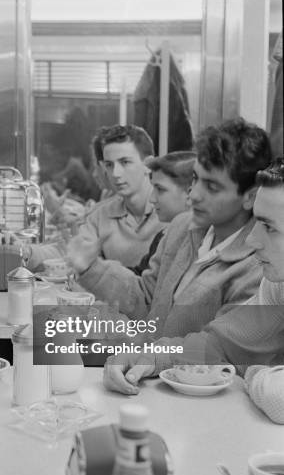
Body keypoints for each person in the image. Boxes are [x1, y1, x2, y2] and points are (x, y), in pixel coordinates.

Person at [102, 157, 284, 424]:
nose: (254, 239)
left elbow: (277, 397)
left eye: (269, 226)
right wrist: (150, 356)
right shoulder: (277, 284)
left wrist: (254, 372)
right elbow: (219, 345)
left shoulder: (260, 270)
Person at [67, 117, 272, 342]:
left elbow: (219, 349)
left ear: (250, 196)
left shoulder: (259, 268)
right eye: (196, 178)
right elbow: (147, 300)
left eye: (212, 187)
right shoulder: (182, 227)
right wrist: (92, 268)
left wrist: (144, 357)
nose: (193, 194)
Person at [27, 124, 163, 271]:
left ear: (148, 164)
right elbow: (66, 251)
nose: (116, 174)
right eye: (109, 165)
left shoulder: (173, 214)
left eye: (125, 162)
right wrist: (24, 251)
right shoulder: (100, 215)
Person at [132, 151, 195, 274]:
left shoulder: (200, 246)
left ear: (190, 193)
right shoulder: (163, 236)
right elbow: (140, 276)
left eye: (160, 189)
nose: (152, 199)